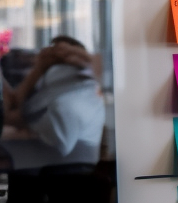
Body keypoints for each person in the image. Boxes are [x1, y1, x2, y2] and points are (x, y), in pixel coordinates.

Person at [1, 35, 106, 170]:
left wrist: (77, 55)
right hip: (49, 163)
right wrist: (39, 68)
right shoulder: (46, 88)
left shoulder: (79, 92)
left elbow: (100, 67)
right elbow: (14, 110)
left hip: (66, 167)